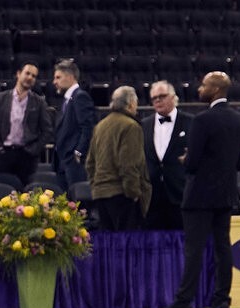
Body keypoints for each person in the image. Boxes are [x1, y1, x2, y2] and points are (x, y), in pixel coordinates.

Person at [153, 72, 240, 308]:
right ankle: (221, 304)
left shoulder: (202, 120)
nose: (199, 89)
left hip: (199, 195)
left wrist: (185, 159)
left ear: (215, 90)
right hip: (226, 194)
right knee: (223, 249)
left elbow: (192, 163)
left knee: (194, 250)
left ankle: (184, 303)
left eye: (204, 85)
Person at [83, 85, 152, 231]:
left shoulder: (100, 126)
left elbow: (90, 163)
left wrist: (97, 186)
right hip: (122, 195)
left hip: (101, 194)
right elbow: (128, 164)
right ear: (131, 104)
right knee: (127, 246)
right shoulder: (131, 126)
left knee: (110, 245)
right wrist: (133, 193)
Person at [0, 62, 51, 188]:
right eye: (27, 73)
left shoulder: (39, 102)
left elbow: (47, 130)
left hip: (27, 156)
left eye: (34, 76)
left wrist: (34, 150)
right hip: (3, 154)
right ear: (18, 74)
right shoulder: (1, 98)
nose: (30, 77)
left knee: (25, 197)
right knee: (2, 195)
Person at [143, 80, 188, 230]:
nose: (157, 100)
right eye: (154, 97)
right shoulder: (144, 124)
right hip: (152, 197)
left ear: (173, 97)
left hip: (179, 193)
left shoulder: (190, 122)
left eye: (162, 96)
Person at [52, 58, 94, 189]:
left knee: (77, 204)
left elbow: (87, 127)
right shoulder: (68, 99)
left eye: (58, 77)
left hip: (73, 163)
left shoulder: (80, 96)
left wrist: (78, 153)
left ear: (70, 77)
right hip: (64, 162)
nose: (54, 82)